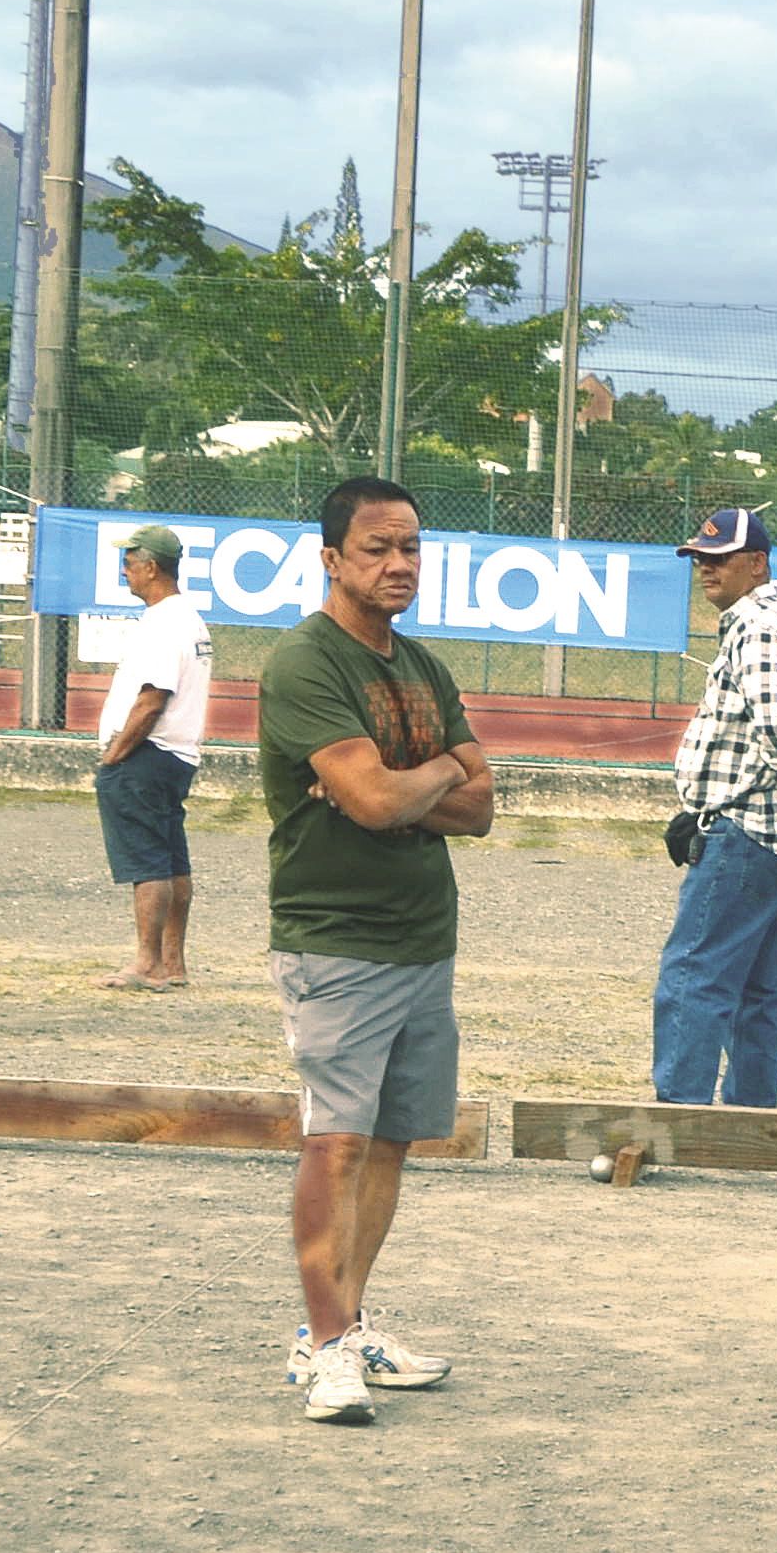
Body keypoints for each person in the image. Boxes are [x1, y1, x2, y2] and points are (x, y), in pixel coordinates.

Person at [254, 476, 492, 1424]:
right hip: (336, 940)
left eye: (410, 549)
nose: (397, 566)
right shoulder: (305, 665)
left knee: (391, 1141)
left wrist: (407, 781)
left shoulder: (424, 668)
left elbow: (480, 807)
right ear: (329, 559)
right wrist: (432, 774)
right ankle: (326, 1351)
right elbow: (383, 801)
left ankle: (343, 1327)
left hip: (423, 937)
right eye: (375, 550)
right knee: (338, 1141)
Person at [650, 505, 777, 1106]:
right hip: (766, 832)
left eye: (718, 560)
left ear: (756, 563)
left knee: (694, 974)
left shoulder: (758, 627)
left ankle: (683, 1113)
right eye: (700, 559)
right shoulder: (768, 620)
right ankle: (749, 1114)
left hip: (744, 828)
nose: (705, 570)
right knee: (757, 985)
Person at [93, 523, 210, 990]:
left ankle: (147, 963)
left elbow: (151, 699)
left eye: (129, 562)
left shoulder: (164, 622)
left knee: (146, 863)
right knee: (171, 859)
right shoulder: (189, 619)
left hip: (147, 754)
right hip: (176, 755)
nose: (125, 572)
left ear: (151, 567)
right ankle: (173, 961)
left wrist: (115, 754)